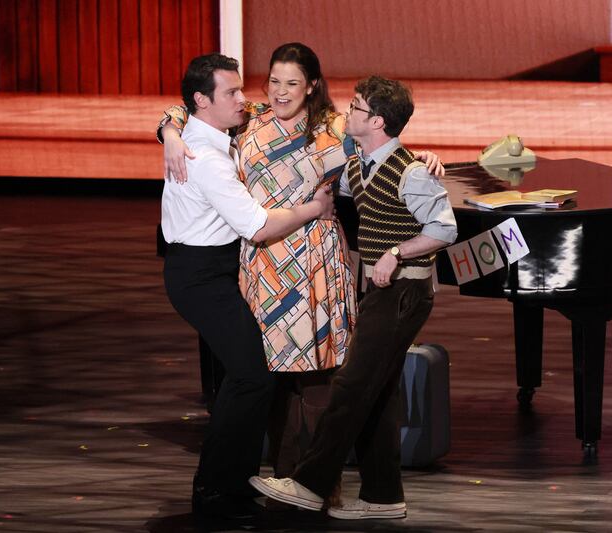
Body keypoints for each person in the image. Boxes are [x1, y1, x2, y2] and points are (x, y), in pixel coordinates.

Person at [158, 43, 445, 492]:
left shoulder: (333, 125)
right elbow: (182, 108)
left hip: (316, 259)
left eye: (292, 82)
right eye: (273, 80)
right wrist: (171, 135)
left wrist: (421, 158)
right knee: (265, 371)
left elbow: (383, 144)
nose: (280, 91)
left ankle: (310, 484)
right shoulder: (248, 115)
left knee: (320, 370)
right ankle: (270, 476)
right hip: (263, 259)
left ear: (312, 85)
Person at [249, 76, 458, 520]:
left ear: (377, 120)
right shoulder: (360, 163)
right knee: (376, 392)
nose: (350, 112)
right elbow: (339, 184)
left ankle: (309, 484)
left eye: (358, 107)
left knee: (351, 386)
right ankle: (383, 496)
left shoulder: (412, 171)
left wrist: (395, 253)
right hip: (382, 290)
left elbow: (444, 229)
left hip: (404, 291)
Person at [160, 52, 334, 518]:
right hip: (200, 276)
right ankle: (215, 489)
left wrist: (169, 131)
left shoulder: (213, 132)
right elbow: (256, 226)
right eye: (232, 92)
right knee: (251, 376)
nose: (247, 98)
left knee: (245, 376)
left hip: (215, 270)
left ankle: (228, 485)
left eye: (242, 89)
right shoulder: (206, 158)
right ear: (203, 101)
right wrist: (312, 210)